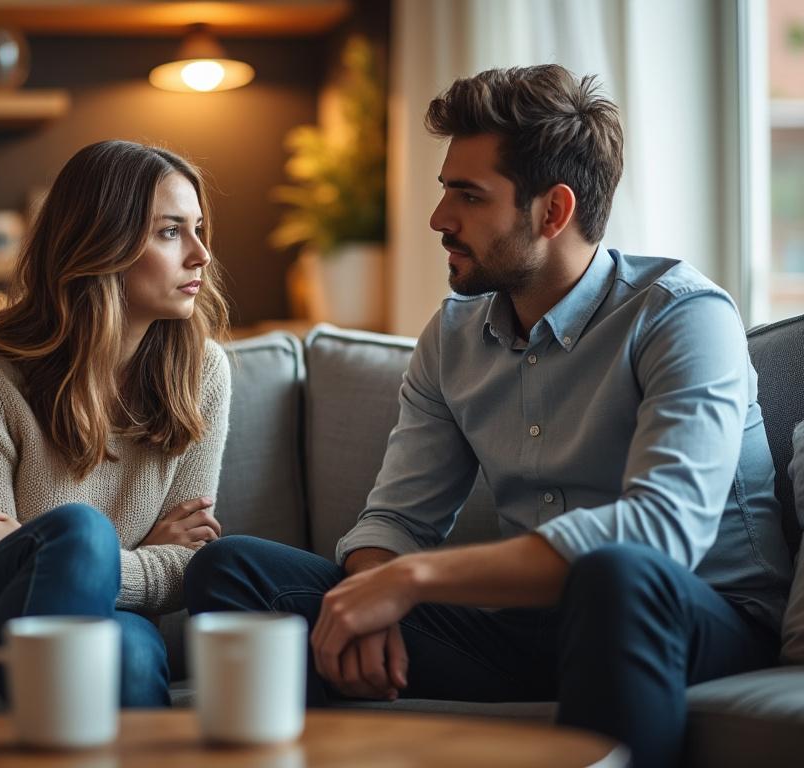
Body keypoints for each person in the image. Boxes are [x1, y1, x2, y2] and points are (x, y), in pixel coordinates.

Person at [184, 65, 792, 767]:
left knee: (616, 574)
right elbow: (399, 519)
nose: (440, 220)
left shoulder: (683, 317)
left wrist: (408, 582)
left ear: (553, 212)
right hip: (530, 633)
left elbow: (661, 533)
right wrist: (368, 587)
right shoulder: (453, 337)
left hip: (694, 621)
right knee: (235, 572)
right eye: (446, 191)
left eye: (468, 197)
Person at [0, 140, 231, 711]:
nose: (200, 254)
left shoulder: (201, 373)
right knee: (79, 531)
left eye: (198, 229)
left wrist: (49, 556)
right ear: (100, 242)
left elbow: (190, 565)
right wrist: (95, 554)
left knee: (128, 650)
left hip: (105, 626)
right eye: (170, 232)